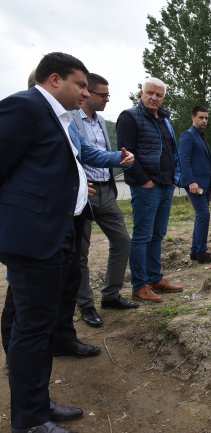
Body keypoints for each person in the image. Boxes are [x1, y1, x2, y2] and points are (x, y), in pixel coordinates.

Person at [0, 51, 91, 433]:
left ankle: (35, 400)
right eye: (80, 85)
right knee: (34, 327)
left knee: (24, 320)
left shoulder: (56, 117)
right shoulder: (25, 107)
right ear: (55, 79)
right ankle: (32, 420)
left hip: (54, 232)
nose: (86, 93)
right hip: (33, 237)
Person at [71, 73, 139, 328]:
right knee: (81, 253)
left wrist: (118, 159)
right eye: (103, 95)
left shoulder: (100, 121)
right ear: (88, 92)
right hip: (83, 193)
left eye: (108, 95)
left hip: (106, 191)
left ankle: (110, 295)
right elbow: (84, 155)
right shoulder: (71, 120)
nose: (107, 100)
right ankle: (86, 305)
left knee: (122, 240)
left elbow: (99, 153)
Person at [116, 77, 184, 303]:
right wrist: (144, 181)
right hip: (147, 187)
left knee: (158, 235)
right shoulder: (129, 117)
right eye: (150, 93)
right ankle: (139, 285)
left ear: (164, 98)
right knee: (142, 236)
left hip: (165, 186)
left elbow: (172, 151)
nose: (154, 98)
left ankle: (155, 278)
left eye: (159, 95)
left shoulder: (165, 119)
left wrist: (175, 178)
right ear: (141, 93)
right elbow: (126, 154)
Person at [178, 106, 211, 264]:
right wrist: (191, 181)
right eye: (201, 118)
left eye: (206, 118)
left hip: (205, 185)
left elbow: (208, 163)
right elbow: (184, 160)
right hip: (195, 185)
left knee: (201, 216)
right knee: (204, 215)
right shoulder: (188, 136)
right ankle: (201, 252)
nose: (204, 121)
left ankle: (195, 251)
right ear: (193, 118)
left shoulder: (200, 137)